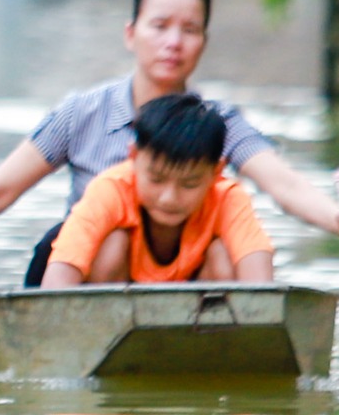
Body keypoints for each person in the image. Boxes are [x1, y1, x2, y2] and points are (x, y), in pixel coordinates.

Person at [0, 0, 339, 288]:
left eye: (189, 29)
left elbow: (285, 185)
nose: (173, 42)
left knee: (221, 250)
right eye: (160, 25)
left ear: (203, 42)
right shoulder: (83, 112)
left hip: (182, 280)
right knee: (112, 240)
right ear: (131, 33)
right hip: (89, 271)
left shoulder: (217, 123)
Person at [42, 94, 273, 287]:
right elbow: (62, 270)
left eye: (189, 184)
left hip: (198, 324)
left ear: (216, 172)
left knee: (224, 255)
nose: (169, 198)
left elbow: (259, 281)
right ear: (133, 156)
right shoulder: (111, 189)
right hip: (113, 320)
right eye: (156, 179)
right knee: (112, 245)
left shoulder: (228, 197)